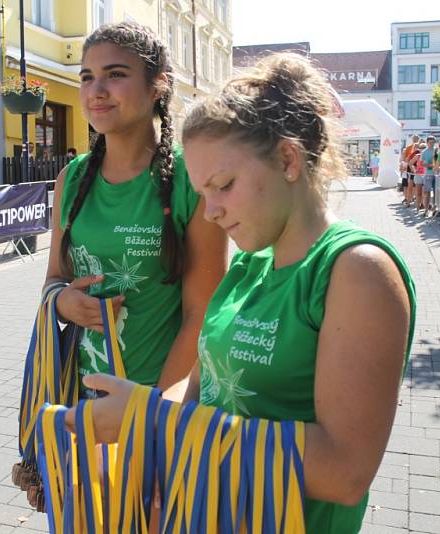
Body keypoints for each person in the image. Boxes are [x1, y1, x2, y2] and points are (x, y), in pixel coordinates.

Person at [66, 53, 416, 534]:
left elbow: (343, 472)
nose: (209, 213)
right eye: (202, 193)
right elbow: (197, 389)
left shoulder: (357, 272)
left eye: (223, 186)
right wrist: (134, 430)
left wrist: (151, 425)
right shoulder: (250, 264)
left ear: (288, 160)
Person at [44, 22, 227, 397]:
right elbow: (53, 279)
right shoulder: (71, 180)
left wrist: (151, 411)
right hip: (80, 399)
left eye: (116, 75)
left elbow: (204, 313)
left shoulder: (191, 179)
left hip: (161, 402)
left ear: (157, 85)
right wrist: (64, 302)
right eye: (87, 77)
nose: (96, 91)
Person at [420, 136, 437, 215]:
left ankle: (435, 209)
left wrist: (434, 165)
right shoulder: (424, 152)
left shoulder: (437, 150)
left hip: (437, 175)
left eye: (433, 142)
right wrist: (430, 165)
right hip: (428, 175)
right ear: (427, 143)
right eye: (430, 142)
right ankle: (426, 210)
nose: (432, 144)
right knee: (427, 192)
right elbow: (422, 163)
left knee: (436, 192)